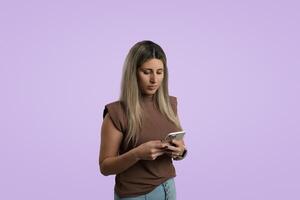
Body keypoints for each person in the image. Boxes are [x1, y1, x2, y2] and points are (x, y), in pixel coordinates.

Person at [99, 40, 187, 200]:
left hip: (169, 188)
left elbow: (178, 149)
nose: (154, 80)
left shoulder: (170, 104)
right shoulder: (116, 113)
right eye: (147, 72)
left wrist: (180, 151)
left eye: (159, 72)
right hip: (136, 195)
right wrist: (137, 154)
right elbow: (105, 167)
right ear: (133, 73)